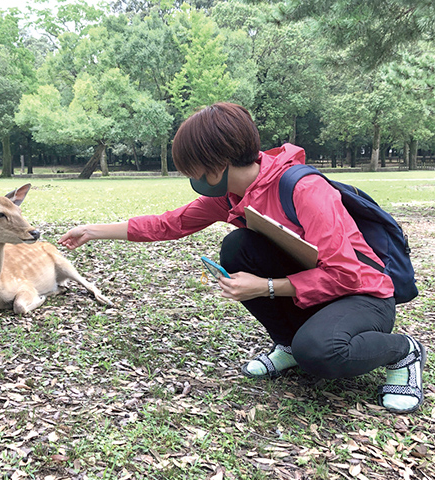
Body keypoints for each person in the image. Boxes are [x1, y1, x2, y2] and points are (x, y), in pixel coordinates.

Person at [58, 102, 426, 414]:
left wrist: (266, 286)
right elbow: (169, 224)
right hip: (316, 291)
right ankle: (288, 343)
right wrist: (93, 230)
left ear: (218, 163)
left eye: (194, 168)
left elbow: (346, 274)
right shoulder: (231, 195)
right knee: (238, 247)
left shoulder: (304, 189)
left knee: (320, 352)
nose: (191, 176)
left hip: (364, 296)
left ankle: (403, 352)